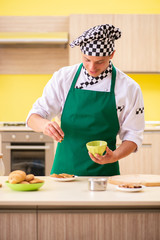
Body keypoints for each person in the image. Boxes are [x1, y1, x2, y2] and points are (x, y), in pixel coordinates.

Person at [26, 24, 145, 176]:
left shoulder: (128, 88)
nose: (92, 68)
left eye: (100, 62)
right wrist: (45, 125)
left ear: (112, 55)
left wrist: (114, 156)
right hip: (64, 174)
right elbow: (33, 117)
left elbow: (133, 136)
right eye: (87, 59)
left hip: (104, 176)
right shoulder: (64, 78)